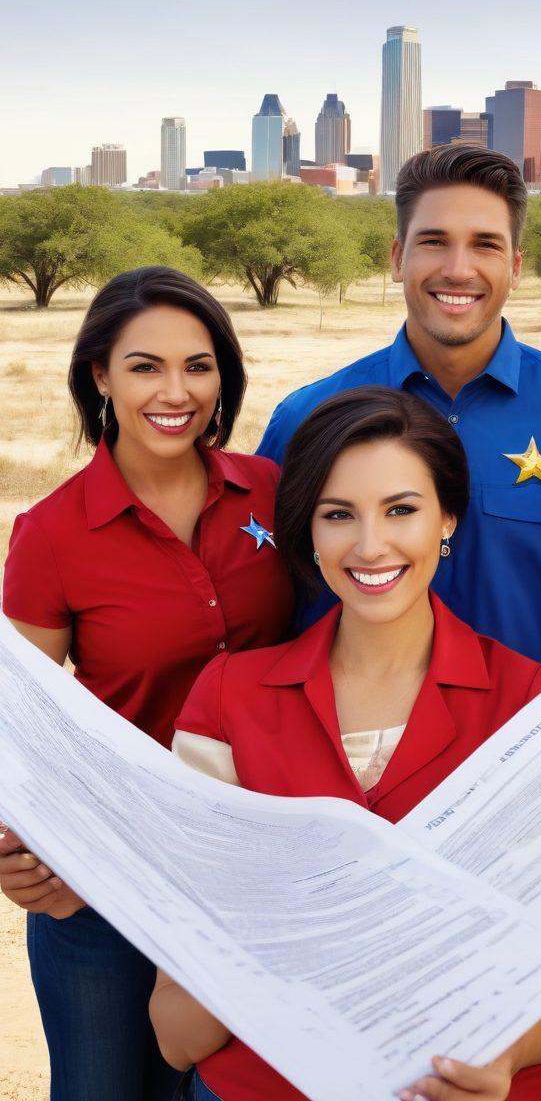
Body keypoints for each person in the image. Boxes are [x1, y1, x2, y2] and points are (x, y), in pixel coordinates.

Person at [152, 386, 541, 1101]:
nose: (370, 546)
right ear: (307, 530)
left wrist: (504, 1054)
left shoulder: (529, 702)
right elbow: (178, 1033)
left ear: (447, 518)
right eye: (338, 514)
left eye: (401, 510)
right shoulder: (226, 697)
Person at [0, 267, 295, 1101]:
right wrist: (21, 860)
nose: (176, 392)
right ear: (100, 375)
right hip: (108, 875)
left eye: (198, 366)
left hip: (257, 875)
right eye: (145, 367)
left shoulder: (273, 493)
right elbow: (19, 729)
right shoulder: (51, 534)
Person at [257, 144, 541, 673]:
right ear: (398, 258)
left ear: (516, 267)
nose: (458, 270)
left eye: (485, 245)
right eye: (434, 242)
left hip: (538, 720)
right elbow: (262, 593)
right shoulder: (306, 419)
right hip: (348, 721)